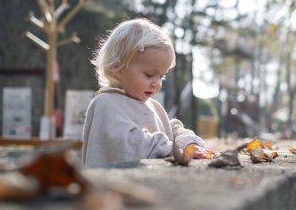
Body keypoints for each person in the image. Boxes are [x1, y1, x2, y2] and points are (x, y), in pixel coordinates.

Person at [82, 18, 211, 167]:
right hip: (110, 186)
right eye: (149, 75)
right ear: (117, 70)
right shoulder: (105, 104)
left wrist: (187, 142)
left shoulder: (153, 106)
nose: (157, 83)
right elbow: (126, 142)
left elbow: (169, 129)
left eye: (162, 76)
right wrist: (169, 148)